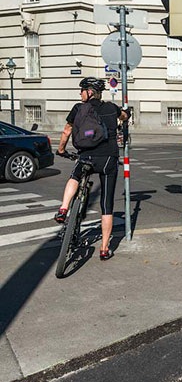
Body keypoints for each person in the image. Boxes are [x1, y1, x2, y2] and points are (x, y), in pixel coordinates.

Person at [55, 77, 130, 261]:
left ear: (89, 92)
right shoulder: (111, 108)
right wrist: (125, 115)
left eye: (82, 90)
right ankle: (104, 249)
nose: (79, 93)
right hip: (108, 158)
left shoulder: (78, 109)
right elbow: (124, 117)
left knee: (75, 176)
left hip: (86, 156)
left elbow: (66, 131)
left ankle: (63, 208)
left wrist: (61, 149)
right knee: (106, 204)